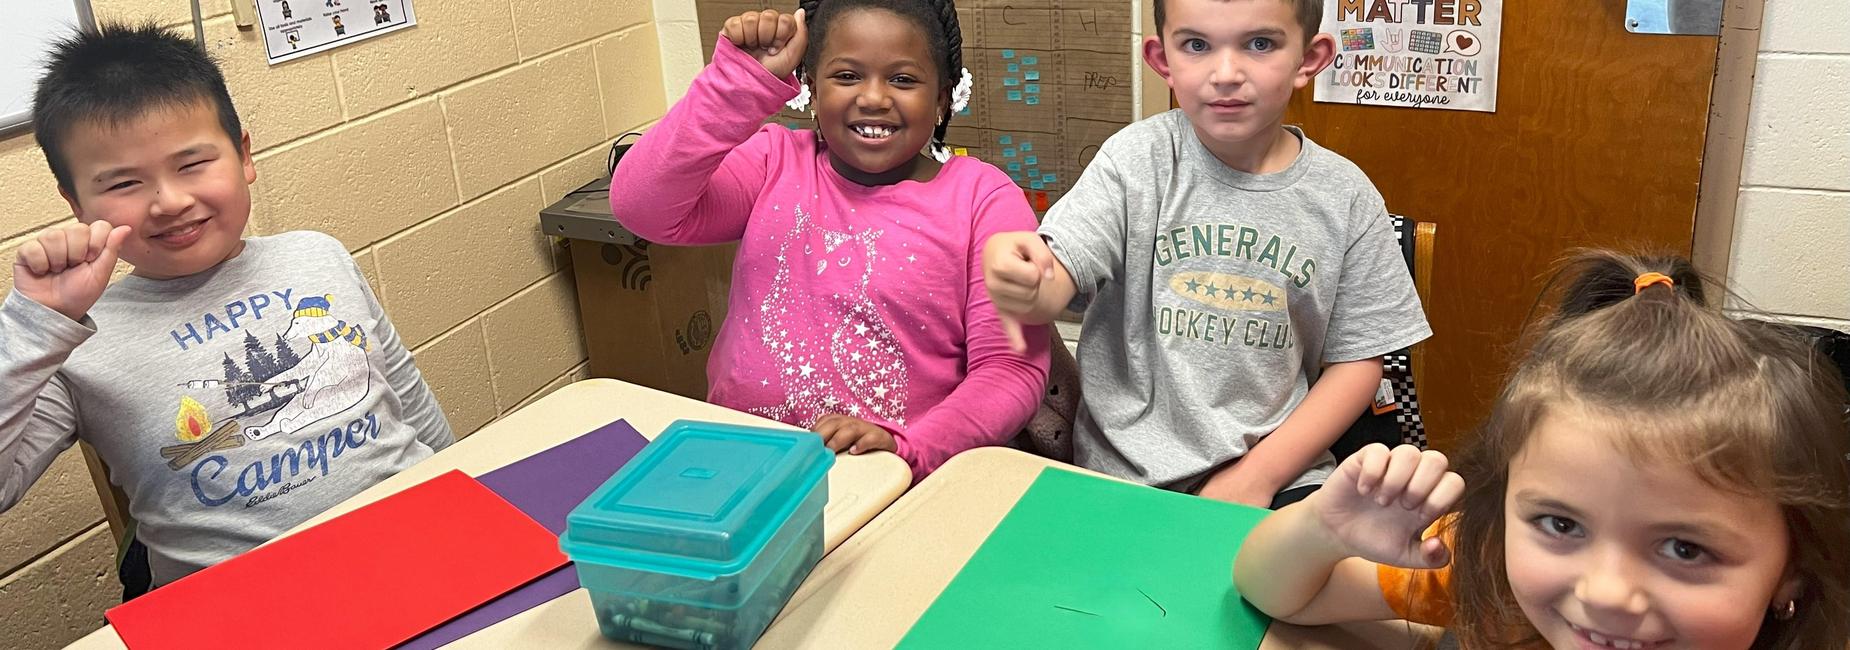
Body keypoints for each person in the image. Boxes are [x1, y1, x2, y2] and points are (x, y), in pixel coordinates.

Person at [1, 22, 453, 590]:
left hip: (413, 542)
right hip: (241, 602)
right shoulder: (72, 338)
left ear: (243, 155)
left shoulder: (318, 255)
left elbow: (404, 394)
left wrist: (459, 481)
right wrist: (33, 325)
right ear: (76, 202)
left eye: (192, 164)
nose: (170, 201)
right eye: (123, 184)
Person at [1236, 251, 1850, 649]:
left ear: (1793, 564)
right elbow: (1273, 589)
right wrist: (1322, 530)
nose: (1606, 593)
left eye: (1685, 548)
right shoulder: (1483, 563)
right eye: (1561, 523)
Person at [983, 0, 1428, 507]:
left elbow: (1358, 363)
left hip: (1281, 472)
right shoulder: (1136, 161)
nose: (1225, 74)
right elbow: (1055, 280)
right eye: (1197, 45)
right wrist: (1026, 279)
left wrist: (1256, 478)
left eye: (1259, 44)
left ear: (1310, 57)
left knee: (1319, 578)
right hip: (1121, 476)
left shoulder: (1346, 197)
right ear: (1161, 59)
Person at [608, 1, 1048, 478]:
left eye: (903, 79)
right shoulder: (773, 162)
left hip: (895, 483)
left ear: (943, 98)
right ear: (811, 90)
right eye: (846, 76)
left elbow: (1012, 369)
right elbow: (641, 207)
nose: (874, 97)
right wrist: (738, 83)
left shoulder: (985, 200)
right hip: (747, 469)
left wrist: (908, 450)